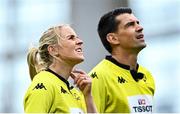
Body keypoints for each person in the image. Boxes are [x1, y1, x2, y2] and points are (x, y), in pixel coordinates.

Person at [89, 7, 155, 113]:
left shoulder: (147, 75)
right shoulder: (97, 77)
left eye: (137, 23)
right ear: (113, 39)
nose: (140, 28)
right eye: (130, 25)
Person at [24, 24, 97, 113]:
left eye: (77, 37)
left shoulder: (75, 92)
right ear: (53, 50)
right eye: (71, 38)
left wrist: (88, 96)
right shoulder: (43, 84)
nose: (80, 41)